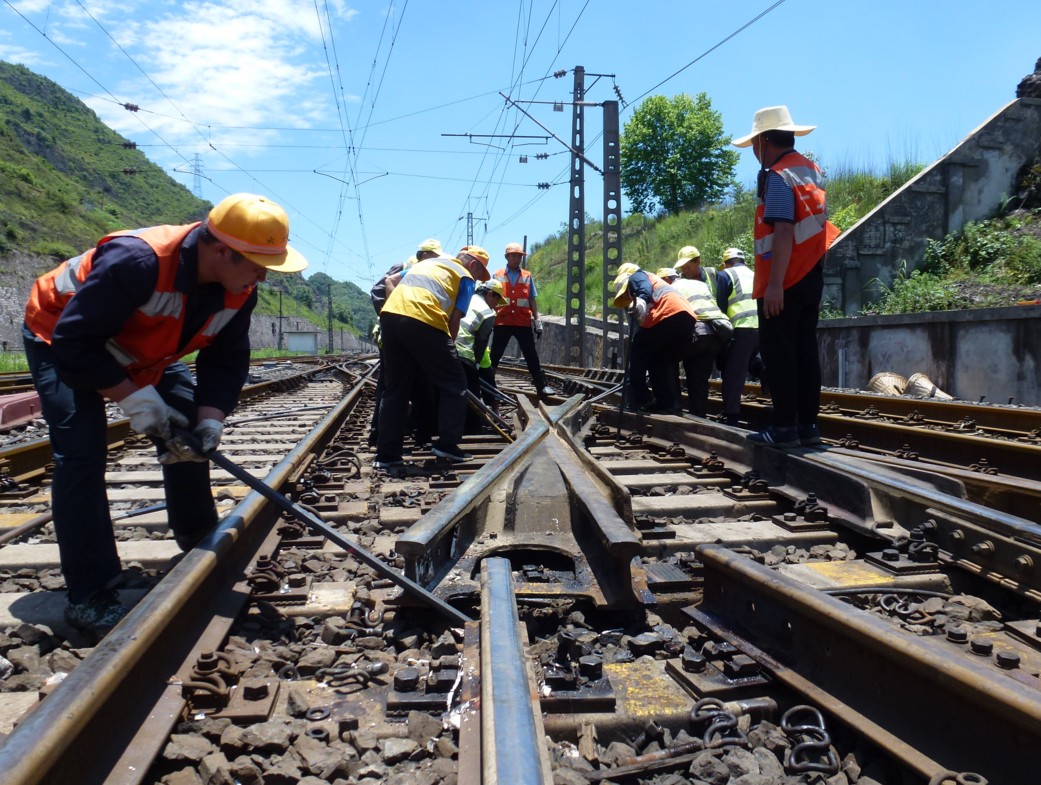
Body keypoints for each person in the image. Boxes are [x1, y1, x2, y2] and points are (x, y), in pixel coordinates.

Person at [22, 193, 308, 636]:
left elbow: (227, 359)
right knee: (81, 452)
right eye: (255, 263)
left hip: (147, 351)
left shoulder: (240, 289)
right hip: (61, 337)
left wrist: (212, 418)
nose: (262, 277)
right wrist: (134, 400)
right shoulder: (138, 262)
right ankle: (91, 592)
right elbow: (77, 343)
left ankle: (197, 536)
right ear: (218, 250)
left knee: (190, 431)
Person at [732, 105, 840, 447]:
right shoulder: (811, 171)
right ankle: (808, 426)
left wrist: (776, 284)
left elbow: (782, 229)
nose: (753, 151)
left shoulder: (778, 176)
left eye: (754, 143)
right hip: (811, 275)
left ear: (763, 141)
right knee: (806, 352)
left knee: (780, 355)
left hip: (785, 279)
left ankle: (782, 428)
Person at [375, 245, 491, 467]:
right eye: (480, 273)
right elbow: (455, 320)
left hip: (390, 316)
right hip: (424, 318)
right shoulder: (465, 276)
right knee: (455, 383)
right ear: (473, 265)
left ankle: (387, 456)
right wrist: (450, 354)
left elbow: (390, 281)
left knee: (395, 388)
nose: (477, 279)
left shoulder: (427, 263)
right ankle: (447, 445)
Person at [367, 239, 442, 447]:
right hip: (395, 338)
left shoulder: (430, 272)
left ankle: (419, 434)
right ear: (423, 254)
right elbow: (377, 291)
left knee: (420, 387)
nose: (436, 260)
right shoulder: (404, 267)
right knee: (390, 387)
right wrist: (392, 321)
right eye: (433, 256)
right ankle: (379, 434)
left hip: (415, 337)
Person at [612, 262, 697, 413]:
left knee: (637, 350)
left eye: (625, 293)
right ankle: (668, 403)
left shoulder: (636, 276)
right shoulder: (653, 281)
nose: (626, 297)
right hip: (686, 318)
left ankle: (640, 399)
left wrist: (642, 300)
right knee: (658, 360)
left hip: (669, 315)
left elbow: (643, 287)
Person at [490, 242, 557, 397]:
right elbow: (491, 298)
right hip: (502, 321)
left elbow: (532, 299)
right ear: (507, 257)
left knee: (531, 355)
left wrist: (537, 320)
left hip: (522, 322)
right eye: (513, 255)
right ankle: (487, 384)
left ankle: (541, 387)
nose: (516, 258)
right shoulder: (497, 274)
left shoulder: (527, 276)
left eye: (519, 256)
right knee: (494, 355)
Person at [669, 260, 733, 417]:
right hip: (717, 333)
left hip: (699, 332)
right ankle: (699, 415)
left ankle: (672, 407)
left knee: (666, 360)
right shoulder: (701, 285)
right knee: (699, 377)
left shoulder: (673, 288)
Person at [714, 247, 760, 426]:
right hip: (762, 328)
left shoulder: (726, 275)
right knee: (751, 361)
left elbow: (721, 305)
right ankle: (763, 372)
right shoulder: (754, 273)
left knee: (733, 374)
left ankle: (731, 415)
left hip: (741, 328)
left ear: (726, 263)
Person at [456, 280, 506, 431]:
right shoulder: (487, 312)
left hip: (446, 347)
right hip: (464, 352)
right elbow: (482, 340)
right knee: (472, 391)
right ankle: (471, 429)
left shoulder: (463, 298)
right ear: (490, 294)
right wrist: (476, 363)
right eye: (497, 300)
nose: (496, 305)